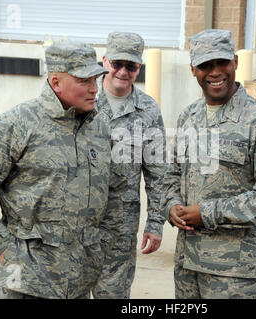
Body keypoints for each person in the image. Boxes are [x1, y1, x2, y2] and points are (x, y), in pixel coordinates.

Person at [0, 42, 113, 299]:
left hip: (79, 281)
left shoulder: (99, 128)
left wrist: (103, 246)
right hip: (24, 281)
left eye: (96, 78)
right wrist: (2, 247)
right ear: (56, 81)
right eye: (84, 81)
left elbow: (109, 194)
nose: (94, 88)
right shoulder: (16, 124)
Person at [160, 29, 256, 299]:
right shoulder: (189, 117)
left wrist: (208, 213)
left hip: (233, 273)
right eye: (205, 65)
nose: (215, 72)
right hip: (187, 266)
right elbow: (171, 174)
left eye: (222, 62)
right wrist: (170, 206)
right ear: (193, 70)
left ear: (235, 61)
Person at [92, 31, 167, 299]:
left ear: (139, 68)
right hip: (77, 224)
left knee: (113, 295)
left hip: (120, 228)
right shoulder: (82, 99)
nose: (123, 72)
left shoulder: (148, 109)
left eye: (131, 66)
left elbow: (158, 173)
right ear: (104, 61)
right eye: (117, 64)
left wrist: (155, 223)